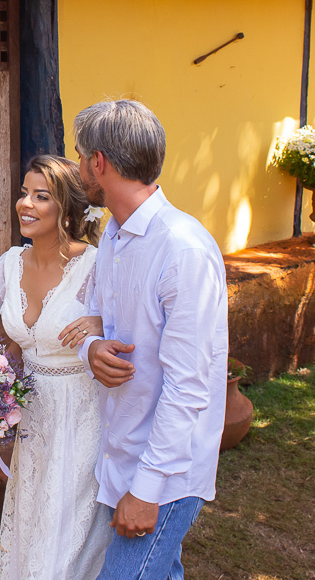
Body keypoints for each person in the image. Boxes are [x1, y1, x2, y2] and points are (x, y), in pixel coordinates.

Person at [73, 99, 228, 580]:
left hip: (165, 474)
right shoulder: (113, 235)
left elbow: (189, 386)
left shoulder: (183, 249)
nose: (77, 167)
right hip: (121, 453)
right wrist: (91, 349)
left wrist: (146, 489)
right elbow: (90, 317)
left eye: (80, 156)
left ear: (99, 162)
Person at [0, 155, 119, 580]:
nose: (26, 204)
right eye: (25, 193)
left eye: (41, 196)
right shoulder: (10, 263)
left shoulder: (95, 266)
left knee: (70, 534)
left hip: (82, 414)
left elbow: (131, 328)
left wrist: (102, 323)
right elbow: (21, 344)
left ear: (67, 209)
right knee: (32, 521)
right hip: (33, 418)